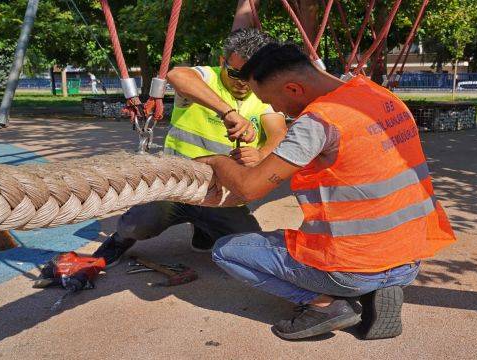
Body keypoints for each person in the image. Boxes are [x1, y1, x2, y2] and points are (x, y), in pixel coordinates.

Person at [198, 43, 456, 340]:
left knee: (227, 251)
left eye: (273, 102)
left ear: (294, 89)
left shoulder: (318, 122)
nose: (278, 112)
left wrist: (217, 161)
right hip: (409, 259)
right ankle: (382, 288)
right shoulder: (377, 95)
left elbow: (248, 187)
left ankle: (325, 305)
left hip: (351, 268)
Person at [93, 29, 286, 265]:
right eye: (236, 73)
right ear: (222, 61)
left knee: (249, 245)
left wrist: (260, 154)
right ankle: (120, 238)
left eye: (252, 75)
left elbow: (278, 134)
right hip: (176, 185)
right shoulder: (206, 78)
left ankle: (204, 227)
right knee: (138, 224)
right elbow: (177, 75)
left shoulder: (263, 94)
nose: (243, 83)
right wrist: (227, 111)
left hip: (221, 193)